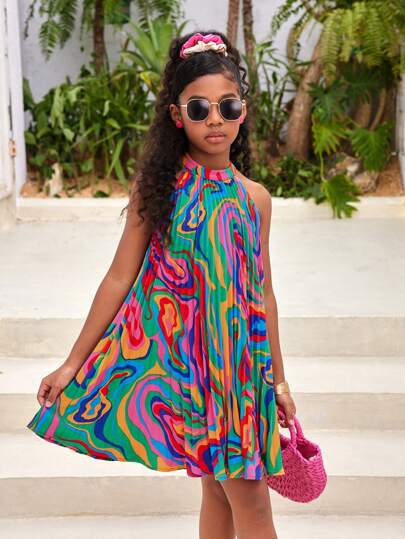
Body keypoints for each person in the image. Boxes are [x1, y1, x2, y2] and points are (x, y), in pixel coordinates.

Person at [26, 30, 297, 539]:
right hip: (194, 378)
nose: (214, 119)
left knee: (226, 496)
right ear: (177, 115)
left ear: (242, 111)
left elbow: (263, 294)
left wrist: (278, 383)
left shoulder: (255, 199)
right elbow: (119, 277)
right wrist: (72, 363)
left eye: (227, 106)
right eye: (199, 109)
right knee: (246, 505)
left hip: (243, 379)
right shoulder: (162, 191)